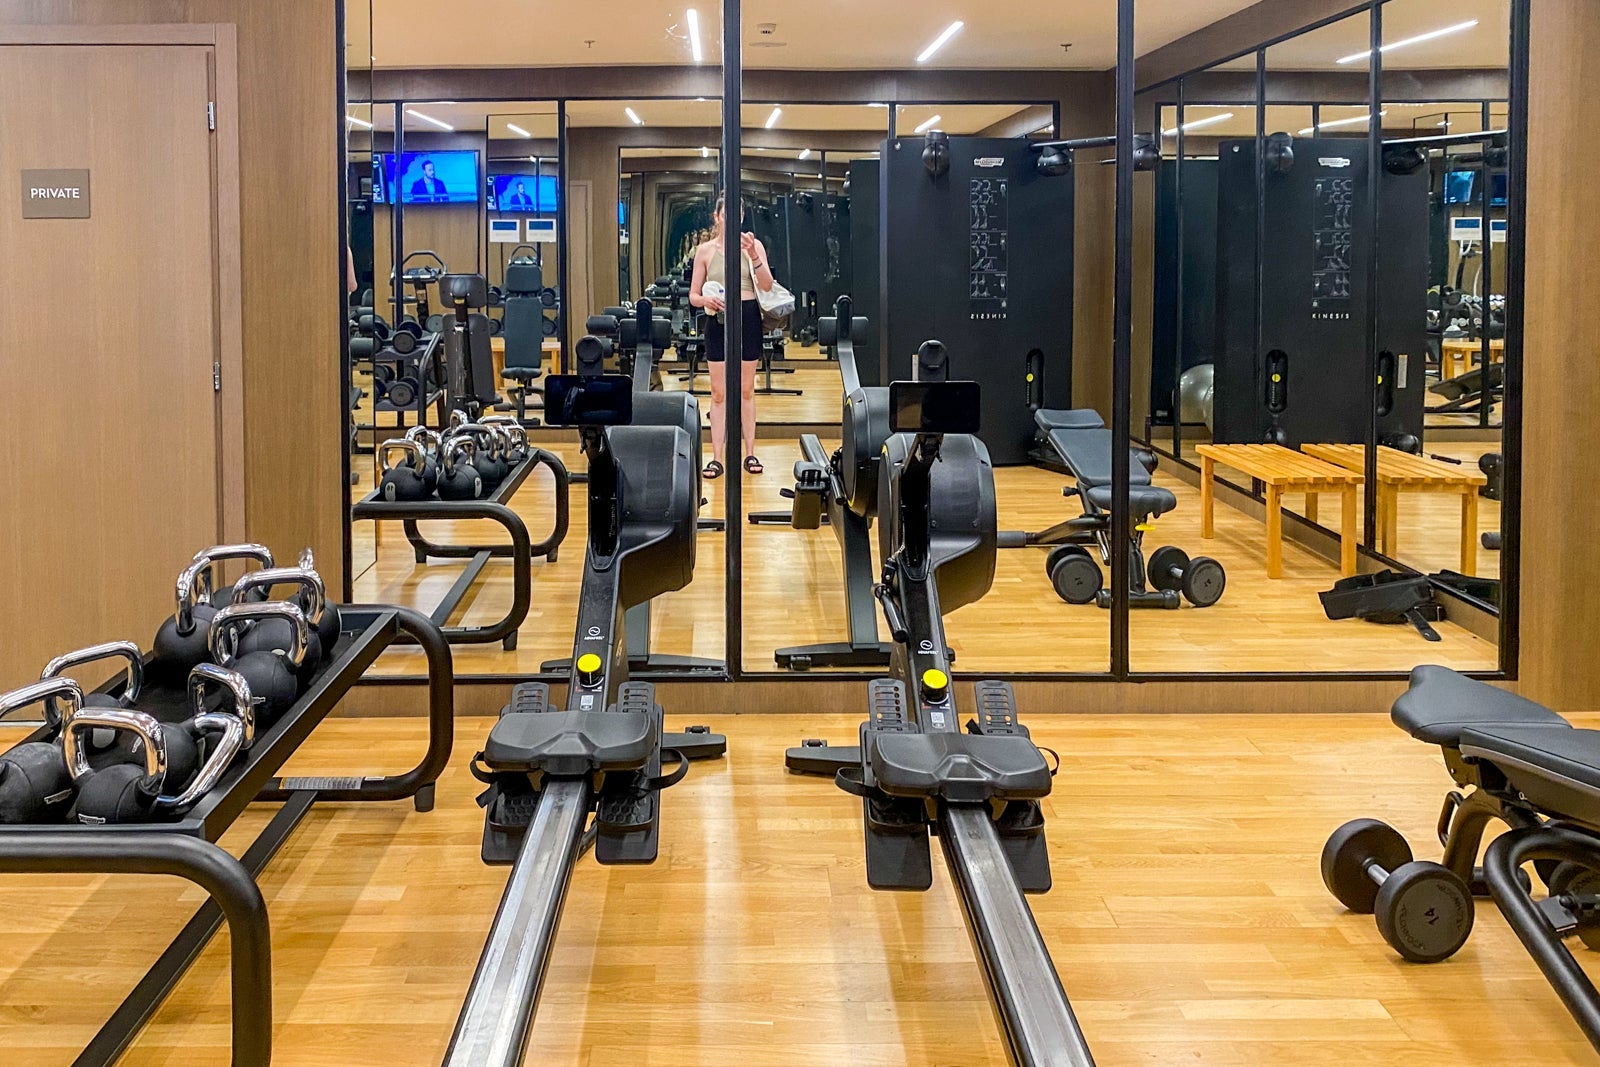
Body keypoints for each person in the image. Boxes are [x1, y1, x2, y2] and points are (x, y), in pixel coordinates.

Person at [689, 195, 774, 479]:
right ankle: (717, 457)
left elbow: (767, 285)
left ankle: (750, 452)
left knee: (747, 389)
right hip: (717, 319)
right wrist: (706, 301)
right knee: (718, 392)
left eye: (737, 214)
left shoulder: (754, 245)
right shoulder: (704, 251)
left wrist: (753, 255)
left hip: (747, 317)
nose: (732, 219)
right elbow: (693, 295)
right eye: (727, 214)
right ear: (717, 217)